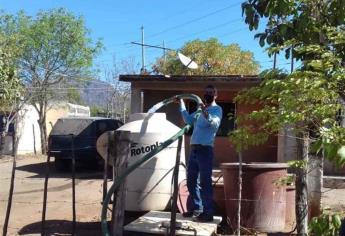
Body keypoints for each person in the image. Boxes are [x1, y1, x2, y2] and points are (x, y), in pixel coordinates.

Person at [176, 85, 223, 222]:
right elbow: (188, 120)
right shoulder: (198, 110)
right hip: (194, 149)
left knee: (205, 182)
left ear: (216, 96)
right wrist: (182, 104)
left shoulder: (216, 109)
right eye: (207, 92)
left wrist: (205, 111)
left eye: (211, 93)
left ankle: (208, 213)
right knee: (191, 181)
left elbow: (214, 124)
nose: (208, 94)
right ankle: (197, 208)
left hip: (205, 149)